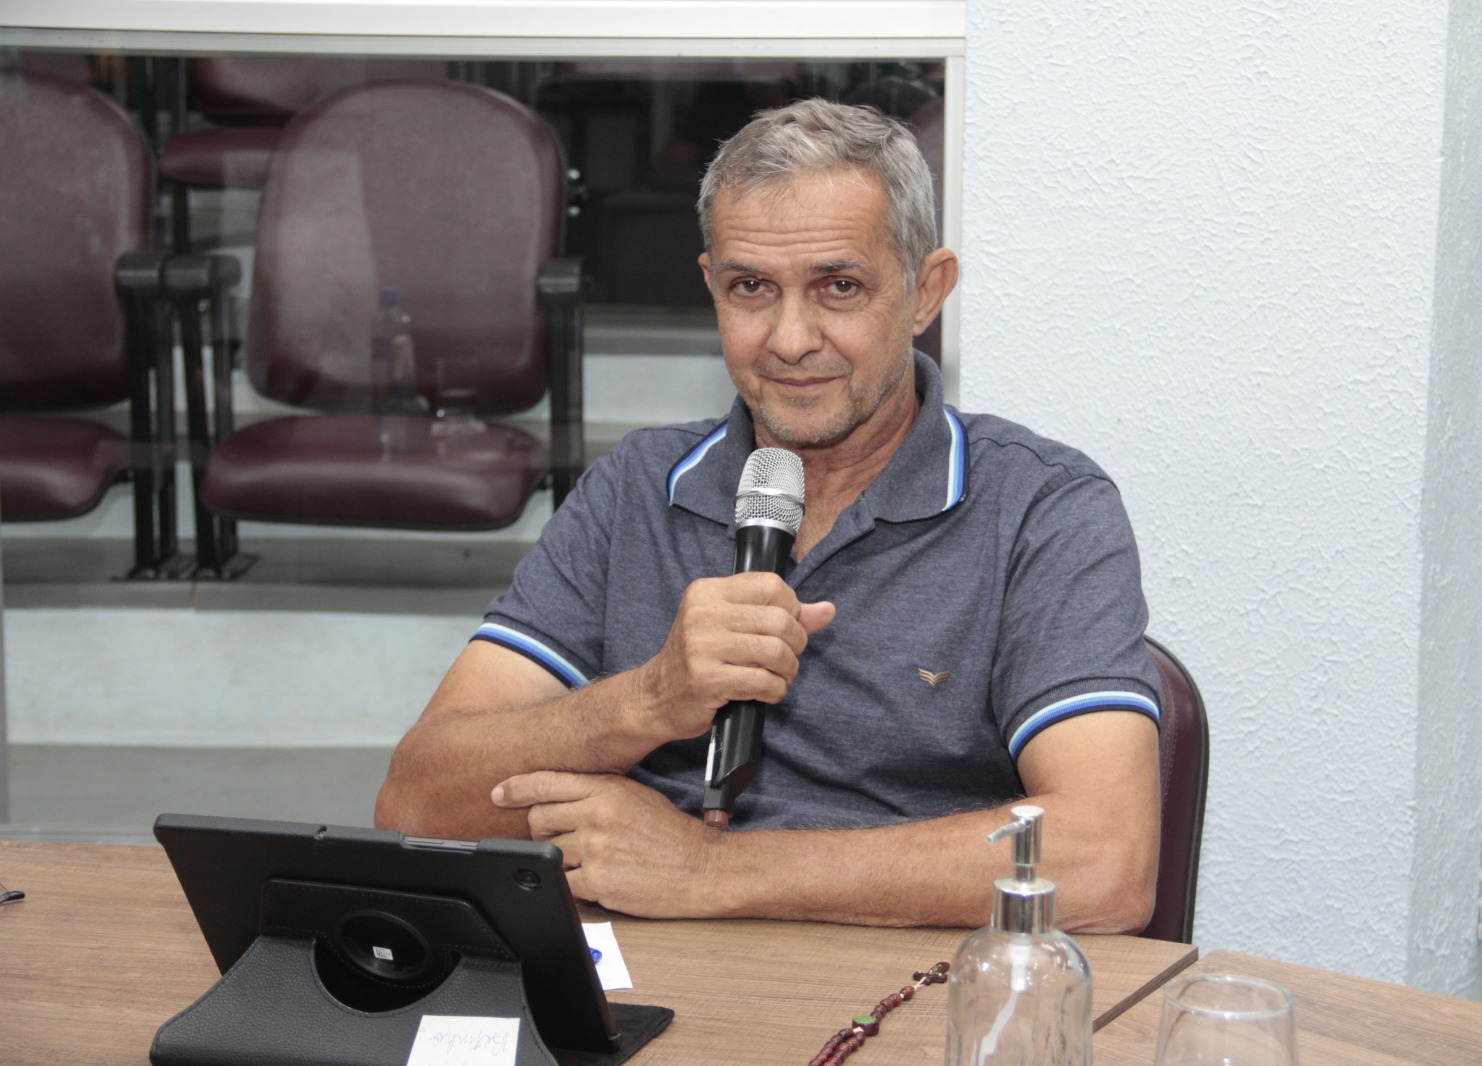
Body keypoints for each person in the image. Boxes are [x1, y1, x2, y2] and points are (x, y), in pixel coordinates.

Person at [375, 99, 1162, 934]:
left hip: (894, 980)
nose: (789, 339)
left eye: (839, 287)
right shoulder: (636, 487)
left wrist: (709, 870)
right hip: (636, 973)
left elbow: (1106, 862)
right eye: (751, 288)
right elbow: (416, 806)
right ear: (711, 285)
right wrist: (645, 701)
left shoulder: (1042, 507)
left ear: (925, 292)